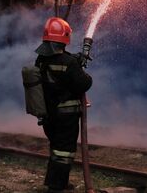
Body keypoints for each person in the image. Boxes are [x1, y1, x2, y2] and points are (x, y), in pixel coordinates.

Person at [35, 17, 92, 193]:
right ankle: (56, 187)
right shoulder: (69, 63)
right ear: (65, 38)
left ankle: (57, 183)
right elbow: (84, 83)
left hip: (48, 115)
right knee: (64, 152)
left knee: (56, 150)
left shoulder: (41, 60)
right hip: (66, 117)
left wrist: (75, 59)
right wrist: (79, 67)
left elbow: (59, 63)